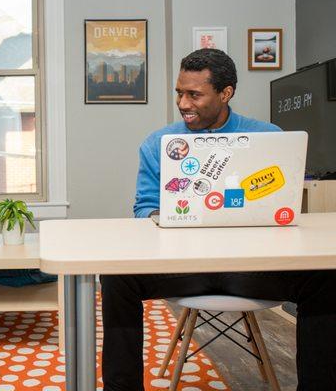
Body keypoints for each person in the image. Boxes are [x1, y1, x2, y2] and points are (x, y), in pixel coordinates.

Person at [100, 49, 336, 390]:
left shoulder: (268, 137)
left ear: (226, 93)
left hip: (251, 267)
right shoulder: (159, 144)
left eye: (194, 94)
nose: (183, 103)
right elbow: (144, 209)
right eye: (179, 92)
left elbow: (281, 205)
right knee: (116, 277)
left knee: (325, 279)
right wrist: (164, 216)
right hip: (185, 267)